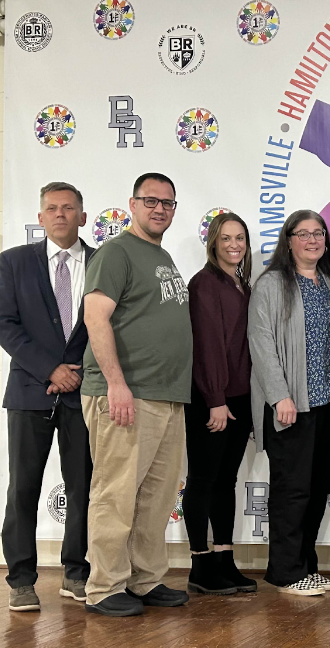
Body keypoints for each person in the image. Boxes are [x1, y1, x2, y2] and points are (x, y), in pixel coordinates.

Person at [81, 172, 193, 616]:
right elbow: (95, 317)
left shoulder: (160, 256)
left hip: (166, 395)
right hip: (127, 394)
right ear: (132, 204)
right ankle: (104, 587)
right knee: (116, 493)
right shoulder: (117, 252)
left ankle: (145, 580)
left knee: (156, 498)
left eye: (167, 203)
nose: (159, 209)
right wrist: (116, 384)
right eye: (151, 201)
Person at [0, 182, 94, 612]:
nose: (60, 214)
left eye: (69, 208)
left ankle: (77, 573)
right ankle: (21, 580)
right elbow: (5, 324)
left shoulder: (103, 263)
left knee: (84, 489)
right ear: (40, 218)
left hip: (85, 393)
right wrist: (49, 369)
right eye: (52, 209)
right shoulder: (12, 263)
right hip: (29, 391)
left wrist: (78, 374)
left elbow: (111, 327)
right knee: (22, 489)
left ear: (83, 216)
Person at [248, 209, 330, 597]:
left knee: (319, 486)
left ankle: (306, 565)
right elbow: (261, 344)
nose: (312, 240)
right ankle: (285, 571)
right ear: (288, 241)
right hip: (292, 406)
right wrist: (280, 397)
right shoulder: (272, 284)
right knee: (293, 490)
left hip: (329, 406)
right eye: (303, 233)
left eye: (318, 233)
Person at [183, 213, 257, 596]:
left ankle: (224, 558)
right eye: (226, 238)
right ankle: (199, 564)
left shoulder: (241, 283)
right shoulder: (204, 284)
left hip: (239, 397)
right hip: (212, 399)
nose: (234, 244)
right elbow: (207, 344)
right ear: (213, 242)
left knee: (225, 480)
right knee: (202, 479)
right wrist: (214, 399)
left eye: (240, 238)